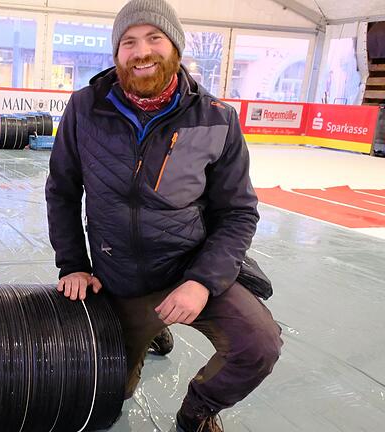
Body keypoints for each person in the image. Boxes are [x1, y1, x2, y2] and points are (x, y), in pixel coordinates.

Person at [45, 1, 282, 431]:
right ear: (117, 53)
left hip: (187, 268)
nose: (142, 51)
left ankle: (196, 413)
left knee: (258, 345)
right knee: (108, 398)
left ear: (175, 46)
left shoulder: (217, 119)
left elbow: (238, 212)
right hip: (119, 278)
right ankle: (149, 327)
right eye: (129, 42)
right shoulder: (84, 108)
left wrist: (201, 282)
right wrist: (74, 265)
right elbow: (62, 191)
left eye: (154, 37)